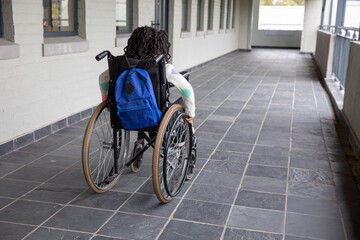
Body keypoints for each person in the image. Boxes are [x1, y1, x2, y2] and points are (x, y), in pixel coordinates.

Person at [99, 26, 195, 125]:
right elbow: (186, 89)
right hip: (154, 115)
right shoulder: (163, 68)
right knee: (181, 105)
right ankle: (187, 133)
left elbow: (103, 78)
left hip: (124, 112)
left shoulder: (122, 66)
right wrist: (190, 114)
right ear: (159, 49)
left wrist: (108, 103)